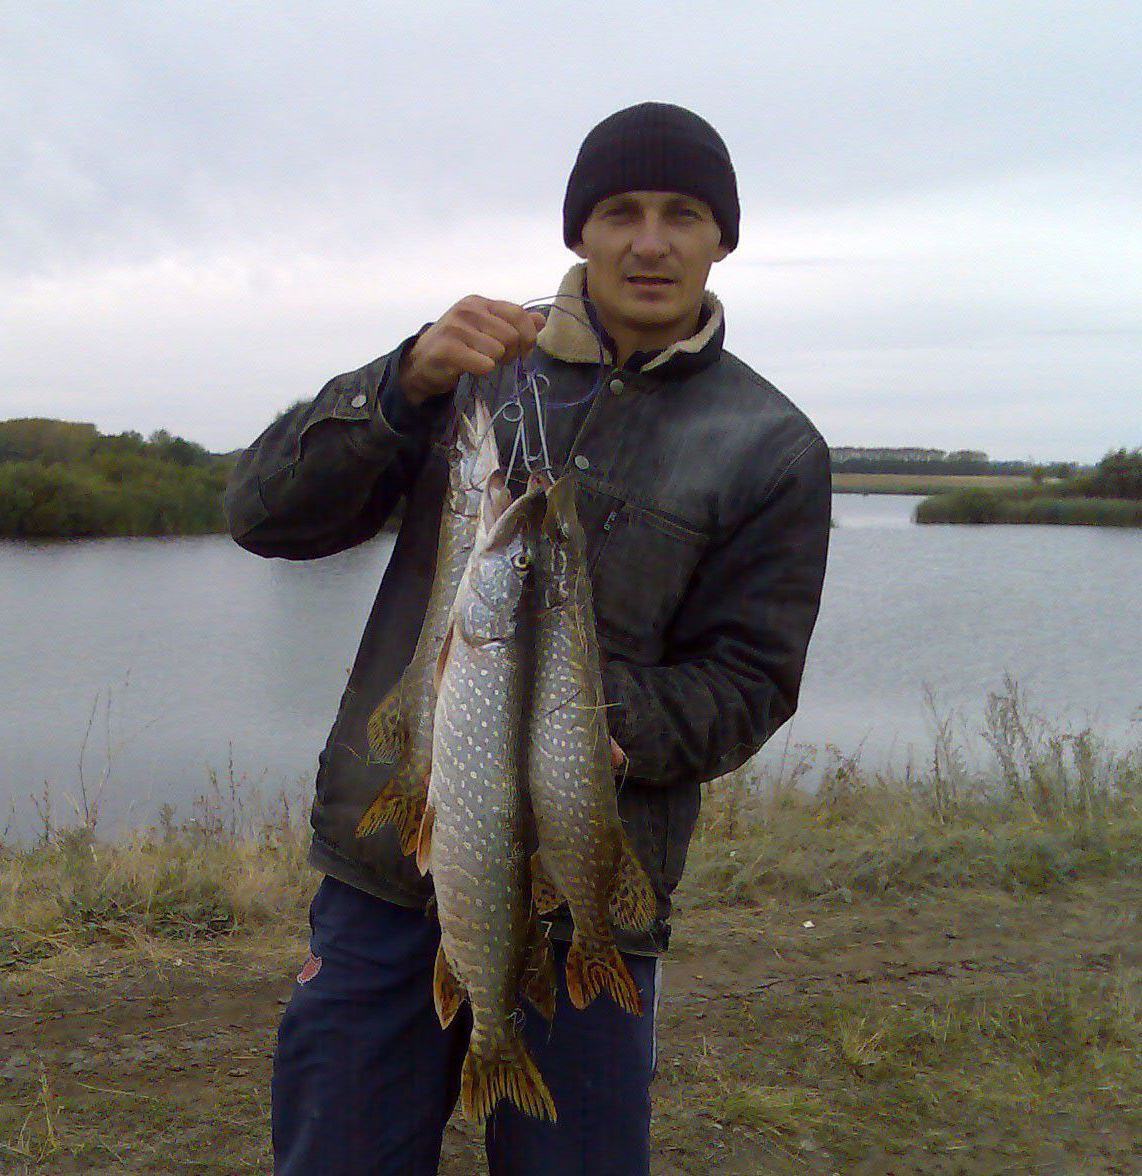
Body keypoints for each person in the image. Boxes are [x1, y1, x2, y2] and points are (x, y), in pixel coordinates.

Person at [226, 101, 831, 1176]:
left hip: (589, 881)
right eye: (620, 212)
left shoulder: (771, 448)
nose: (649, 240)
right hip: (387, 875)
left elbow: (749, 684)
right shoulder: (472, 370)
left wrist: (595, 731)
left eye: (681, 213)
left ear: (720, 237)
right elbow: (266, 515)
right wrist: (397, 383)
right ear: (578, 233)